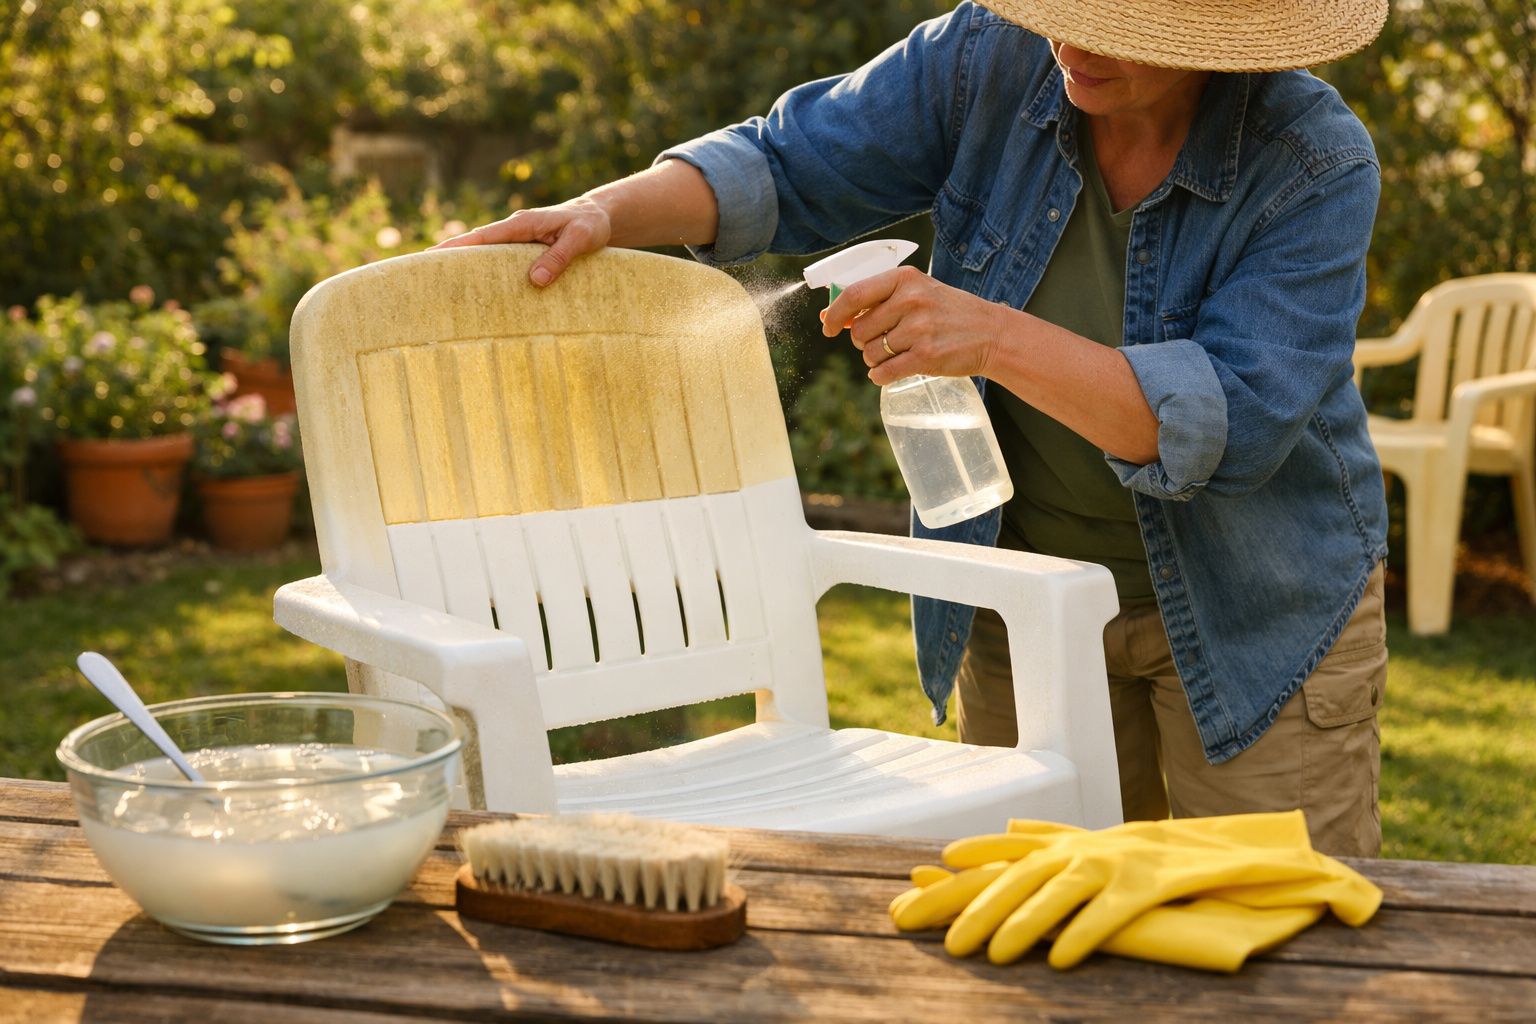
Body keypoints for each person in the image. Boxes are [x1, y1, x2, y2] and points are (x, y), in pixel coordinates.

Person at [437, 0, 1392, 857]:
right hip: (1027, 598)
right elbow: (783, 159)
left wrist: (987, 335)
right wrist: (601, 213)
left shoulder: (1312, 162)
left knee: (1279, 942)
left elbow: (1227, 425)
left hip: (1253, 609)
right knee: (1044, 934)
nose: (1065, 37)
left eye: (1114, 25)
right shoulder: (990, 58)